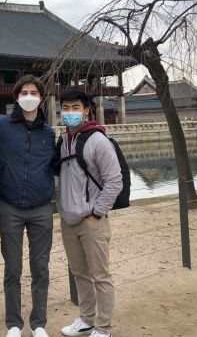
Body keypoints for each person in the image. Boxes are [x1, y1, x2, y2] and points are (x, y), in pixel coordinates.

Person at [0, 74, 56, 337]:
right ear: (16, 96)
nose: (29, 96)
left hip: (41, 207)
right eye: (24, 91)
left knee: (41, 267)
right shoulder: (1, 125)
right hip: (10, 206)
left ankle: (38, 323)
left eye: (34, 92)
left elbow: (55, 164)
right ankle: (14, 323)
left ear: (41, 98)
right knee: (12, 268)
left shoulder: (48, 133)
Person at [55, 89, 122, 337]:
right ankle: (86, 319)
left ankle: (103, 328)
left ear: (86, 110)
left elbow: (115, 181)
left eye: (75, 108)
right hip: (68, 219)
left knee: (101, 276)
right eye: (65, 108)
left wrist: (97, 211)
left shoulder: (98, 140)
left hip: (91, 219)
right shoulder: (63, 140)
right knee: (79, 273)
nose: (70, 112)